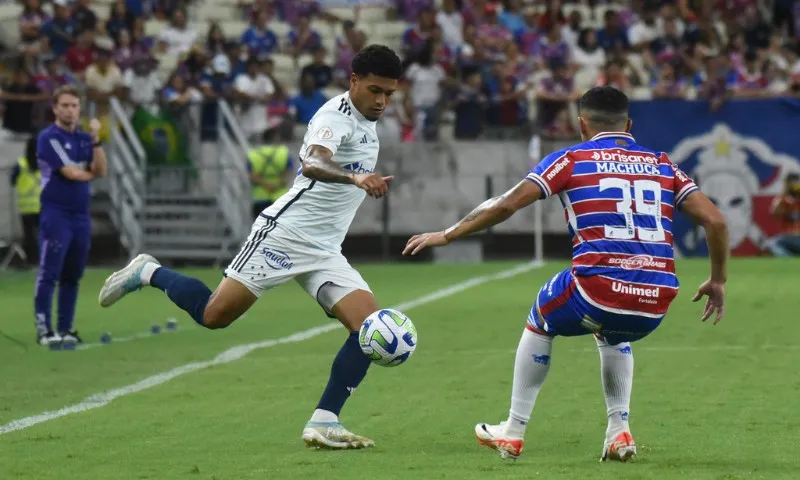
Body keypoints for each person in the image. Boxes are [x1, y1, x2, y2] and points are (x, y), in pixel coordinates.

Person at [98, 45, 403, 450]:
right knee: (214, 316)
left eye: (389, 94)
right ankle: (148, 271)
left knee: (368, 330)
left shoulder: (368, 119)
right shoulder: (335, 117)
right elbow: (312, 162)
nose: (381, 100)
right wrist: (356, 178)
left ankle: (324, 422)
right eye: (374, 90)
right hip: (283, 236)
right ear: (353, 83)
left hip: (325, 249)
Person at [403, 86, 729, 462]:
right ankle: (618, 431)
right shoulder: (663, 164)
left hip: (597, 289)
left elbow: (507, 204)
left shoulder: (571, 159)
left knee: (540, 317)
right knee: (613, 333)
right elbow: (716, 221)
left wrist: (447, 234)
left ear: (581, 125)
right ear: (629, 124)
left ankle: (513, 430)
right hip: (656, 300)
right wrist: (717, 280)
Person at [35, 85, 107, 346]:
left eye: (74, 105)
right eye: (64, 105)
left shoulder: (85, 139)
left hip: (80, 214)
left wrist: (97, 139)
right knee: (49, 272)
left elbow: (102, 169)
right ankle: (44, 329)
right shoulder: (48, 137)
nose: (70, 110)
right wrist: (89, 174)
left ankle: (65, 328)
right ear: (55, 108)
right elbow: (73, 174)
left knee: (73, 274)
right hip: (56, 213)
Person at [247, 128, 296, 219]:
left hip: (260, 198)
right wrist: (276, 185)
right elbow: (288, 174)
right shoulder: (284, 152)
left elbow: (252, 176)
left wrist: (266, 185)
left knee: (260, 230)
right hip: (280, 198)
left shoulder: (253, 154)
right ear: (276, 138)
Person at [10, 135, 42, 267]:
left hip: (25, 208)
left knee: (29, 237)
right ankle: (43, 261)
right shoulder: (45, 163)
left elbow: (12, 181)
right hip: (42, 206)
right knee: (43, 236)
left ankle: (30, 260)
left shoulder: (20, 163)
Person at [767, 173, 800, 256]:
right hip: (790, 237)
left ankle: (787, 260)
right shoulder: (784, 199)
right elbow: (774, 213)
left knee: (773, 243)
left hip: (795, 236)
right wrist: (785, 194)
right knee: (774, 243)